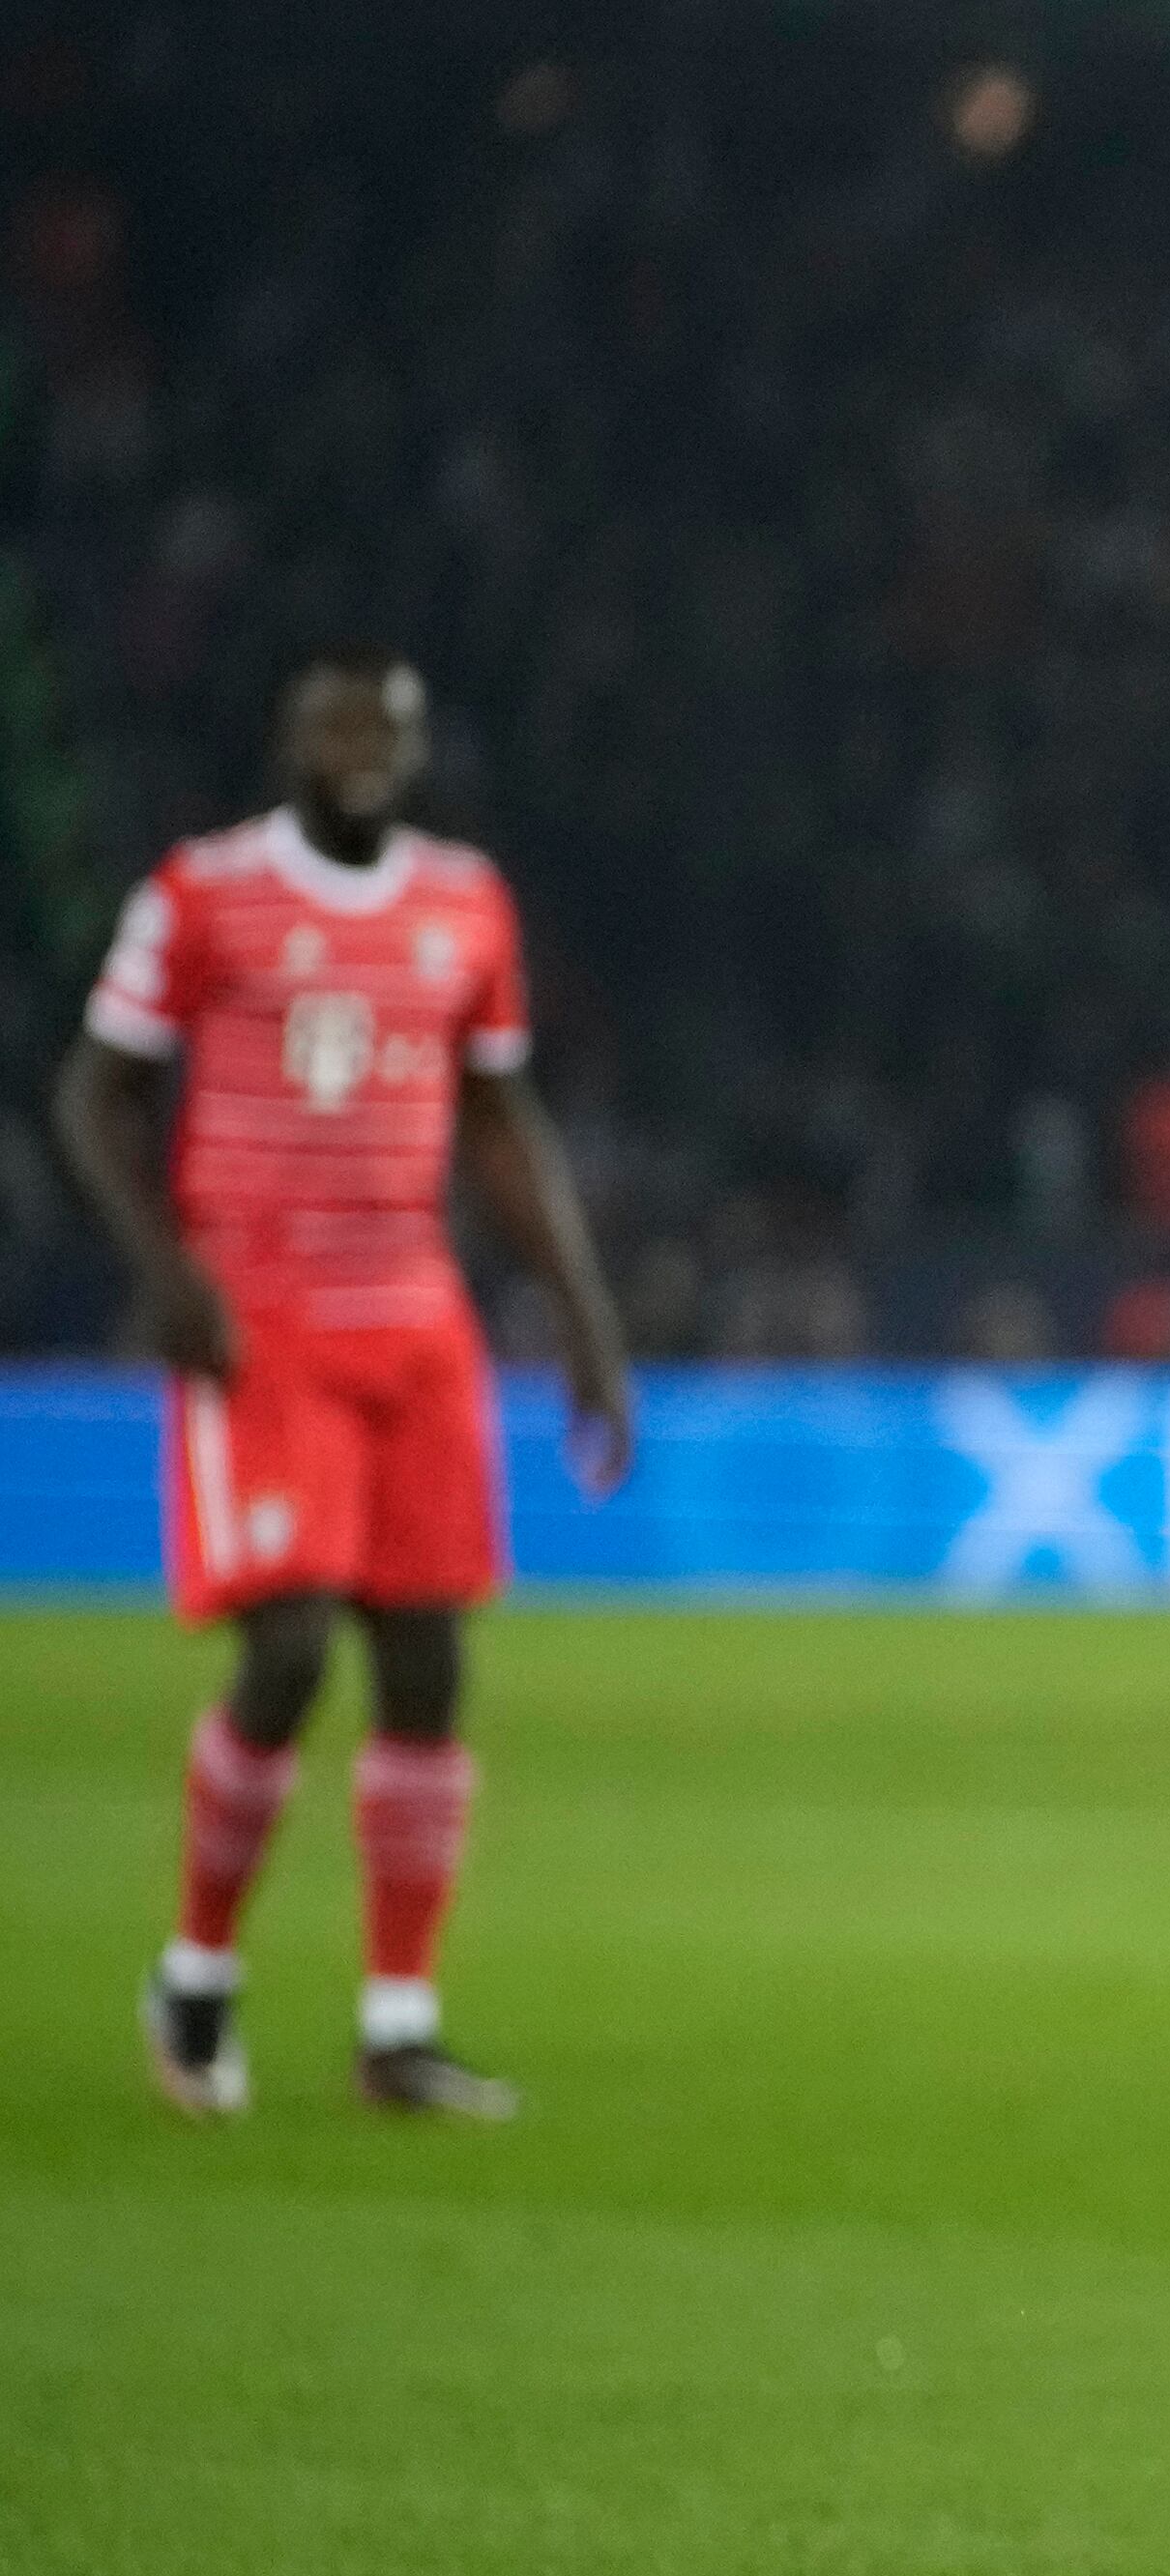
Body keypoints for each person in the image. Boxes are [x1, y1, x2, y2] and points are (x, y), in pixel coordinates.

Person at [50, 647, 634, 2119]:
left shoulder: (464, 902)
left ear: (421, 746)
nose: (362, 747)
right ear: (289, 740)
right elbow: (90, 1094)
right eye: (335, 724)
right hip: (263, 1321)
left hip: (414, 1319)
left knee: (430, 1665)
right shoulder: (205, 896)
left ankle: (397, 2023)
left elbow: (502, 1119)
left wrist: (584, 1316)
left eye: (387, 726)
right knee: (292, 1649)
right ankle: (195, 1975)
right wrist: (166, 1271)